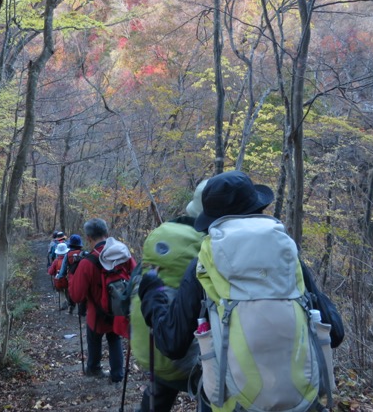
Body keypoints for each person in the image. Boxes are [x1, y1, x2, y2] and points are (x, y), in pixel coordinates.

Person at [138, 170, 343, 412]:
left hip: (233, 404)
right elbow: (335, 332)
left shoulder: (204, 263)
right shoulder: (288, 257)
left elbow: (172, 343)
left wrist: (152, 296)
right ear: (257, 207)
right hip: (300, 401)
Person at [132, 178, 208, 412]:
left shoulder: (162, 235)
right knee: (211, 396)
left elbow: (132, 287)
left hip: (154, 347)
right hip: (193, 357)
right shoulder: (211, 247)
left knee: (159, 391)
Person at [69, 218, 136, 383]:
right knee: (114, 339)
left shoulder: (87, 262)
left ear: (89, 238)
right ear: (107, 234)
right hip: (119, 310)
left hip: (97, 314)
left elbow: (76, 296)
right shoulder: (123, 254)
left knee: (94, 339)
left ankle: (94, 368)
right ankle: (117, 375)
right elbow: (136, 278)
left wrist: (72, 274)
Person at [57, 234, 85, 314]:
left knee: (71, 292)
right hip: (82, 277)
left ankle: (71, 307)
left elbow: (63, 268)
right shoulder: (84, 253)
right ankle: (83, 309)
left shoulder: (67, 255)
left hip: (72, 277)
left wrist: (60, 276)